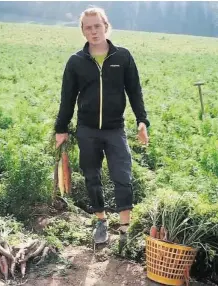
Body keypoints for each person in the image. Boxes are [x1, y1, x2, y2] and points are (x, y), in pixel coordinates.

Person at [54, 7, 150, 245]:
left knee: (122, 175)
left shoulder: (123, 57)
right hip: (87, 129)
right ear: (83, 31)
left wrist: (142, 121)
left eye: (97, 26)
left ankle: (125, 229)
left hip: (115, 128)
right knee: (91, 176)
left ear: (106, 26)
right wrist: (61, 129)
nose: (93, 31)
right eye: (88, 27)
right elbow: (67, 98)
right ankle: (101, 221)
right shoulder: (76, 61)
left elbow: (135, 91)